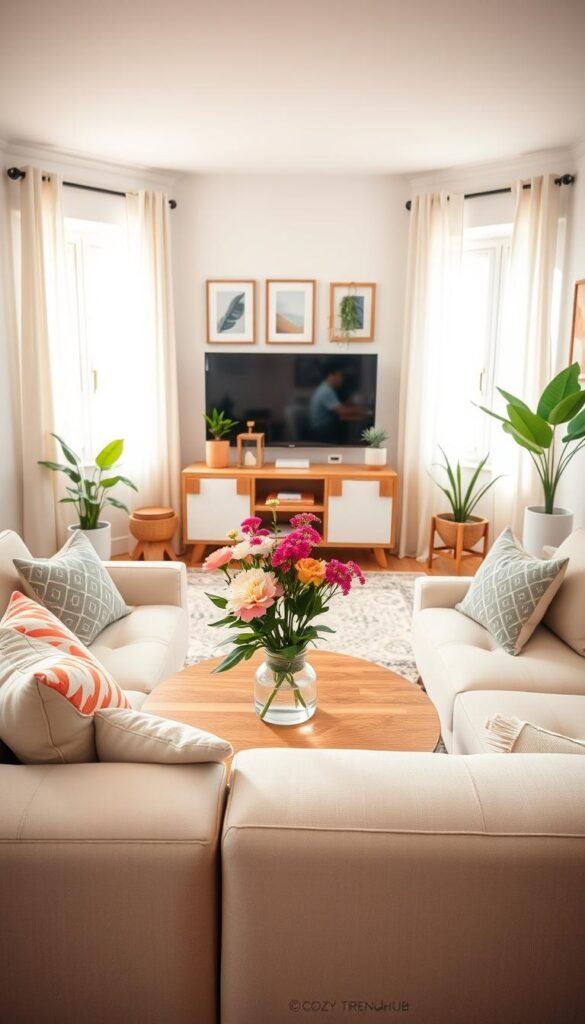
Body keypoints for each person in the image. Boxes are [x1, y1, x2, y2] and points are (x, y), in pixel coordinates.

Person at [309, 361, 362, 442]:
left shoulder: (325, 387)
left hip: (322, 428)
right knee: (350, 432)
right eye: (340, 376)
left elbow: (338, 407)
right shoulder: (326, 390)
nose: (342, 380)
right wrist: (361, 409)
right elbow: (343, 412)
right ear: (331, 376)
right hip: (321, 431)